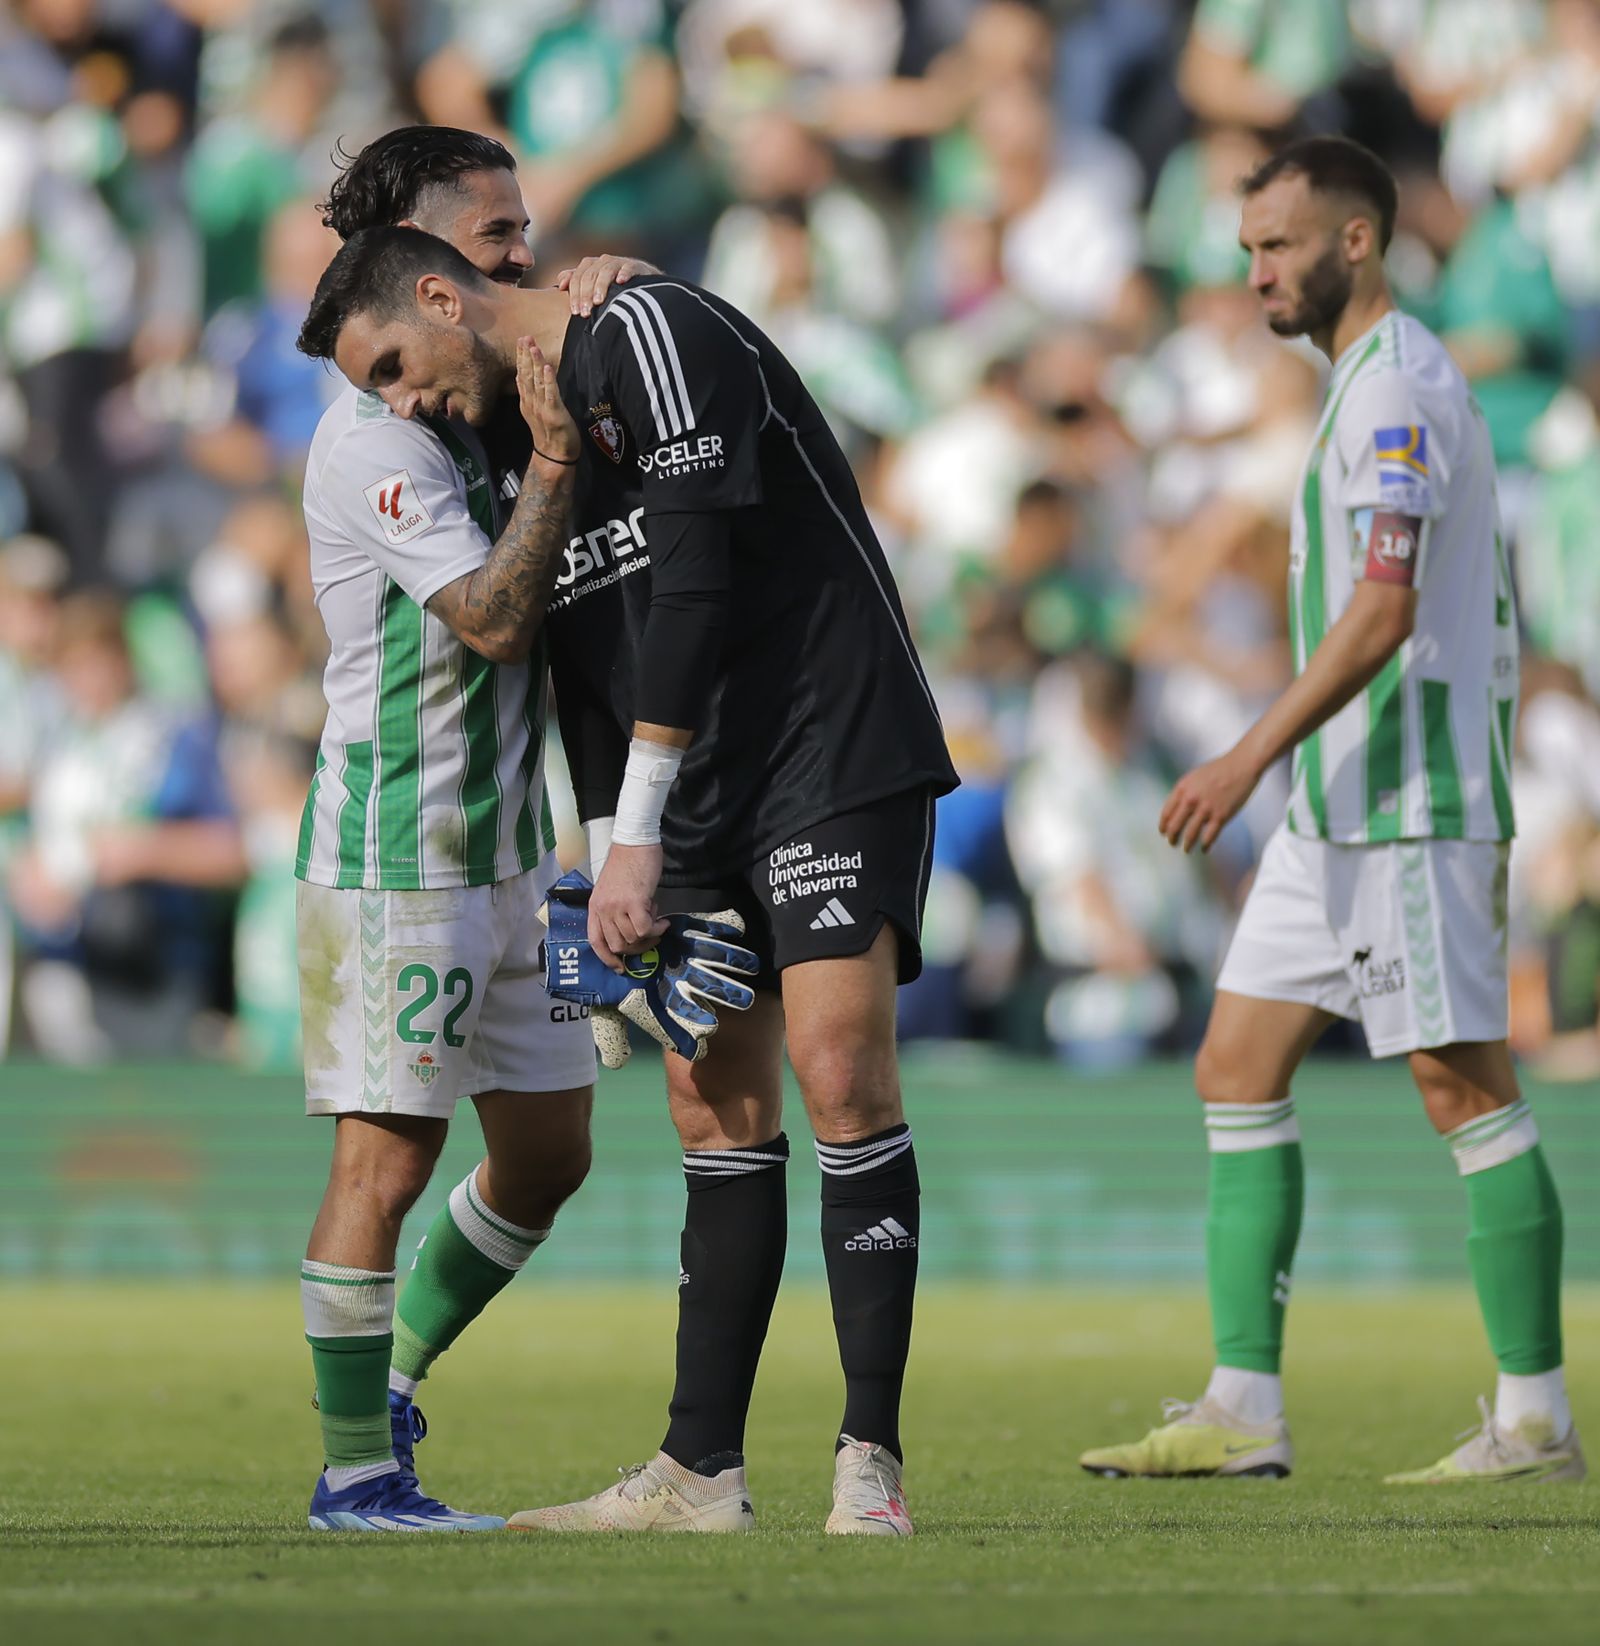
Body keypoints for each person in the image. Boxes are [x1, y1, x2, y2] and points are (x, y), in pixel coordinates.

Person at [298, 221, 959, 1536]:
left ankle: (868, 1459)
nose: (394, 402)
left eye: (388, 365)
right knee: (710, 1110)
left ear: (441, 295)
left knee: (839, 1071)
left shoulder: (651, 331)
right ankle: (698, 1471)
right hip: (677, 797)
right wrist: (609, 861)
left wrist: (635, 831)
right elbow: (582, 655)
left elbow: (700, 579)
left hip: (824, 742)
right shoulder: (505, 447)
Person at [1079, 136, 1581, 1485]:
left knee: (1460, 1080)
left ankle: (1534, 1415)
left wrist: (1244, 754)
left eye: (1278, 246)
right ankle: (1244, 1407)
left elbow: (1383, 607)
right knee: (1235, 1066)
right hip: (1336, 804)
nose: (1256, 276)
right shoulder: (1359, 385)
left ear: (1356, 240)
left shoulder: (1398, 388)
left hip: (1412, 795)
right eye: (1246, 251)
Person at [291, 125, 649, 1533]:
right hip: (397, 859)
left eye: (522, 231)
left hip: (511, 861)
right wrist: (556, 462)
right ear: (430, 262)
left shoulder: (481, 387)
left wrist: (598, 290)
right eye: (497, 234)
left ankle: (393, 1377)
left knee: (551, 1152)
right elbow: (497, 625)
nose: (522, 251)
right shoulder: (379, 443)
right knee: (383, 1165)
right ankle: (354, 1475)